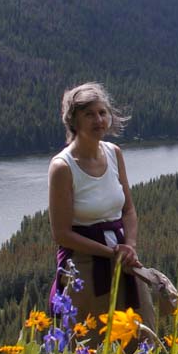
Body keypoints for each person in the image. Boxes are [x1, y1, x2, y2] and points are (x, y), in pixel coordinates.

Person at [48, 82, 143, 328]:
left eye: (102, 112)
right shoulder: (62, 167)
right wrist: (111, 252)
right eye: (89, 114)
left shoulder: (114, 153)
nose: (98, 119)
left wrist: (129, 247)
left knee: (138, 332)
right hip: (83, 264)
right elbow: (61, 234)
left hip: (122, 257)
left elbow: (129, 210)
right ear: (73, 121)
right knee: (89, 339)